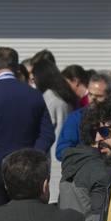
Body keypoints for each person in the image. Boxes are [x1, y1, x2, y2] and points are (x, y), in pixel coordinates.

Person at [0, 47, 55, 217]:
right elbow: (47, 134)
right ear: (16, 67)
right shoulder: (34, 95)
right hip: (27, 171)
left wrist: (2, 160)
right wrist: (30, 159)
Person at [34, 58, 78, 194]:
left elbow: (44, 127)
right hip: (66, 155)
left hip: (52, 158)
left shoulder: (49, 97)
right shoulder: (65, 96)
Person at [54, 70, 111, 166]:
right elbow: (61, 151)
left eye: (99, 96)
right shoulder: (75, 118)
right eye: (90, 94)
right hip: (83, 175)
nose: (92, 99)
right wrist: (89, 153)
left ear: (110, 96)